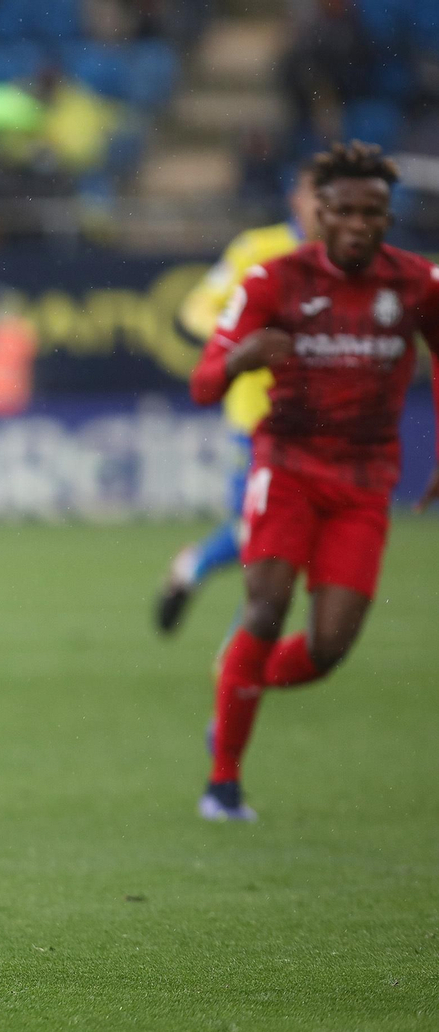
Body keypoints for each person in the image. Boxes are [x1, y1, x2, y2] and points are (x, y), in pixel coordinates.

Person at [188, 141, 439, 821]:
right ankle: (224, 782)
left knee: (329, 648)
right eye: (344, 210)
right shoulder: (273, 280)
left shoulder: (417, 282)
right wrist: (239, 359)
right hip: (287, 467)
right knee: (265, 611)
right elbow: (204, 382)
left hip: (364, 482)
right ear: (317, 211)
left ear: (388, 216)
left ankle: (235, 682)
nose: (359, 224)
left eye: (373, 212)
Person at [156, 164, 319, 635]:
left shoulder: (348, 263)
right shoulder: (257, 249)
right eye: (317, 196)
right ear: (296, 199)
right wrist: (243, 340)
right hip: (257, 419)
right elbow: (196, 307)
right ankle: (238, 662)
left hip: (323, 424)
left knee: (280, 542)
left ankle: (194, 567)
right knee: (263, 541)